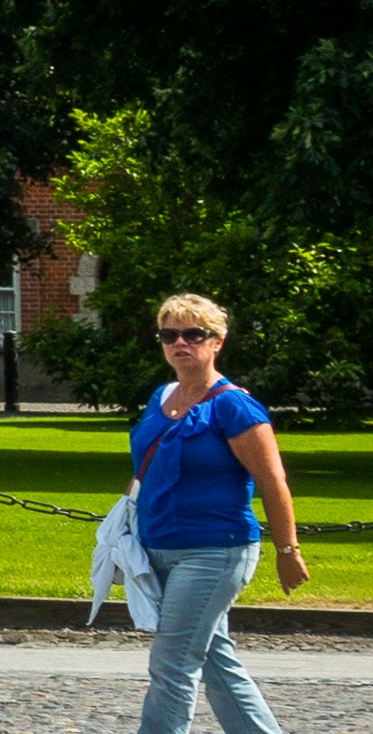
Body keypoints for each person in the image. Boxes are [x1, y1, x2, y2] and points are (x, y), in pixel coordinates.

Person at [133, 292, 313, 734]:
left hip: (214, 550)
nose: (181, 343)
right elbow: (146, 470)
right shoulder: (162, 396)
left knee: (172, 661)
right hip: (158, 546)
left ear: (217, 342)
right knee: (214, 659)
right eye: (170, 334)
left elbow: (273, 481)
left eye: (194, 334)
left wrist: (287, 550)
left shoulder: (234, 406)